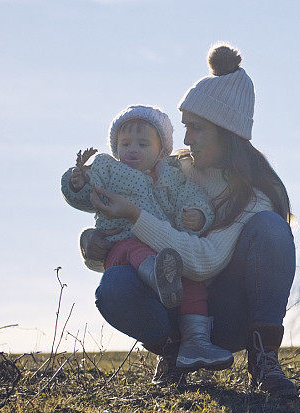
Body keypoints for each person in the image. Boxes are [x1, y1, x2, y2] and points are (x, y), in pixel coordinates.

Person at [82, 43, 299, 398]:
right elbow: (122, 226)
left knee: (272, 230)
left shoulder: (253, 195)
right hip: (171, 307)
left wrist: (135, 217)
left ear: (225, 133)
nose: (185, 139)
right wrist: (95, 245)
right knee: (115, 286)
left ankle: (263, 358)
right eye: (185, 127)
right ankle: (173, 353)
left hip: (225, 316)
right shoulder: (170, 169)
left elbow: (202, 263)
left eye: (196, 128)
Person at [61, 105, 234, 371]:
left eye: (143, 144)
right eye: (125, 143)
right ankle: (158, 276)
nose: (132, 150)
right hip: (121, 246)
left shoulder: (173, 176)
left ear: (161, 150)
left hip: (164, 250)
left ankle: (196, 340)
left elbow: (192, 196)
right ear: (115, 146)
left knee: (192, 282)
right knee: (134, 249)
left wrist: (197, 215)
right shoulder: (109, 169)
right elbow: (85, 193)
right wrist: (77, 182)